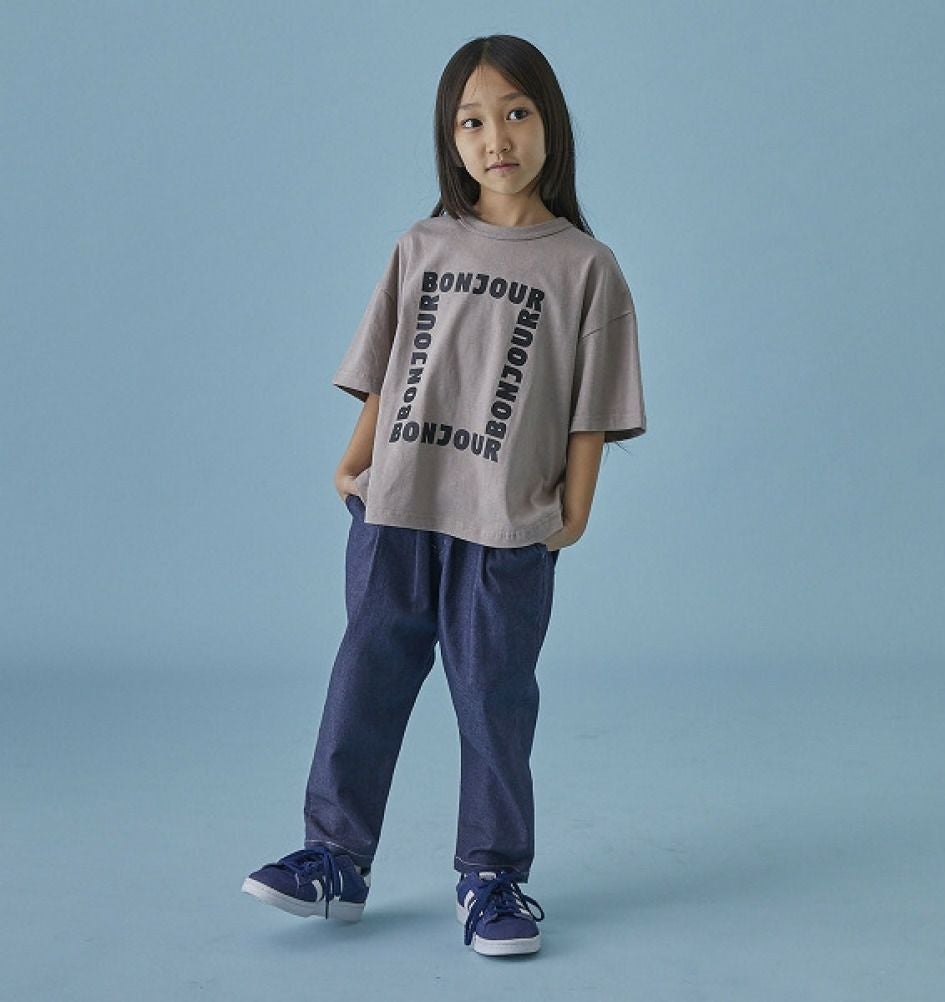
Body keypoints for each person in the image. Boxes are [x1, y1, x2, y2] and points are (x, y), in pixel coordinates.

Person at [241, 33, 647, 958]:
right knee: (366, 674)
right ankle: (334, 857)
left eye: (515, 113)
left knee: (494, 695)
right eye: (471, 121)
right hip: (397, 505)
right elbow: (387, 369)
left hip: (507, 520)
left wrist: (575, 511)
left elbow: (593, 406)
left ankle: (491, 877)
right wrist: (352, 464)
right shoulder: (420, 245)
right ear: (448, 139)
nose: (495, 137)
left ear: (550, 124)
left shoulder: (586, 267)